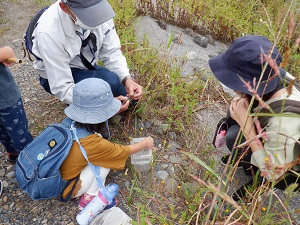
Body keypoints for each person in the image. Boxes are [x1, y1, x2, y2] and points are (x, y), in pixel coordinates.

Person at [208, 35, 300, 202]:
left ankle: (256, 179)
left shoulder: (285, 122)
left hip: (285, 170)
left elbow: (274, 172)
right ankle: (244, 160)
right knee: (234, 118)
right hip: (272, 136)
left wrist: (246, 125)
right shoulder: (276, 76)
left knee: (234, 137)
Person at [59, 78, 155, 210]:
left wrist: (112, 108)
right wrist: (145, 143)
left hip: (54, 171)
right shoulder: (94, 143)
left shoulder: (70, 122)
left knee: (98, 153)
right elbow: (120, 152)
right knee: (105, 162)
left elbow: (92, 116)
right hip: (65, 186)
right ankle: (89, 198)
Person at [31, 0, 142, 112]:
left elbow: (111, 52)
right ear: (64, 7)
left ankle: (88, 101)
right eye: (87, 13)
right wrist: (103, 107)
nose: (96, 18)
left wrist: (126, 79)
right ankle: (80, 108)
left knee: (130, 99)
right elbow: (62, 87)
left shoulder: (101, 12)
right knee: (108, 86)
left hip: (84, 65)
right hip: (57, 75)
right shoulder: (48, 32)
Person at [0, 46, 33, 164]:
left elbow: (7, 50)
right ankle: (16, 154)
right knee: (3, 134)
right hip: (7, 99)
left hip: (8, 100)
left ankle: (28, 156)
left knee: (18, 131)